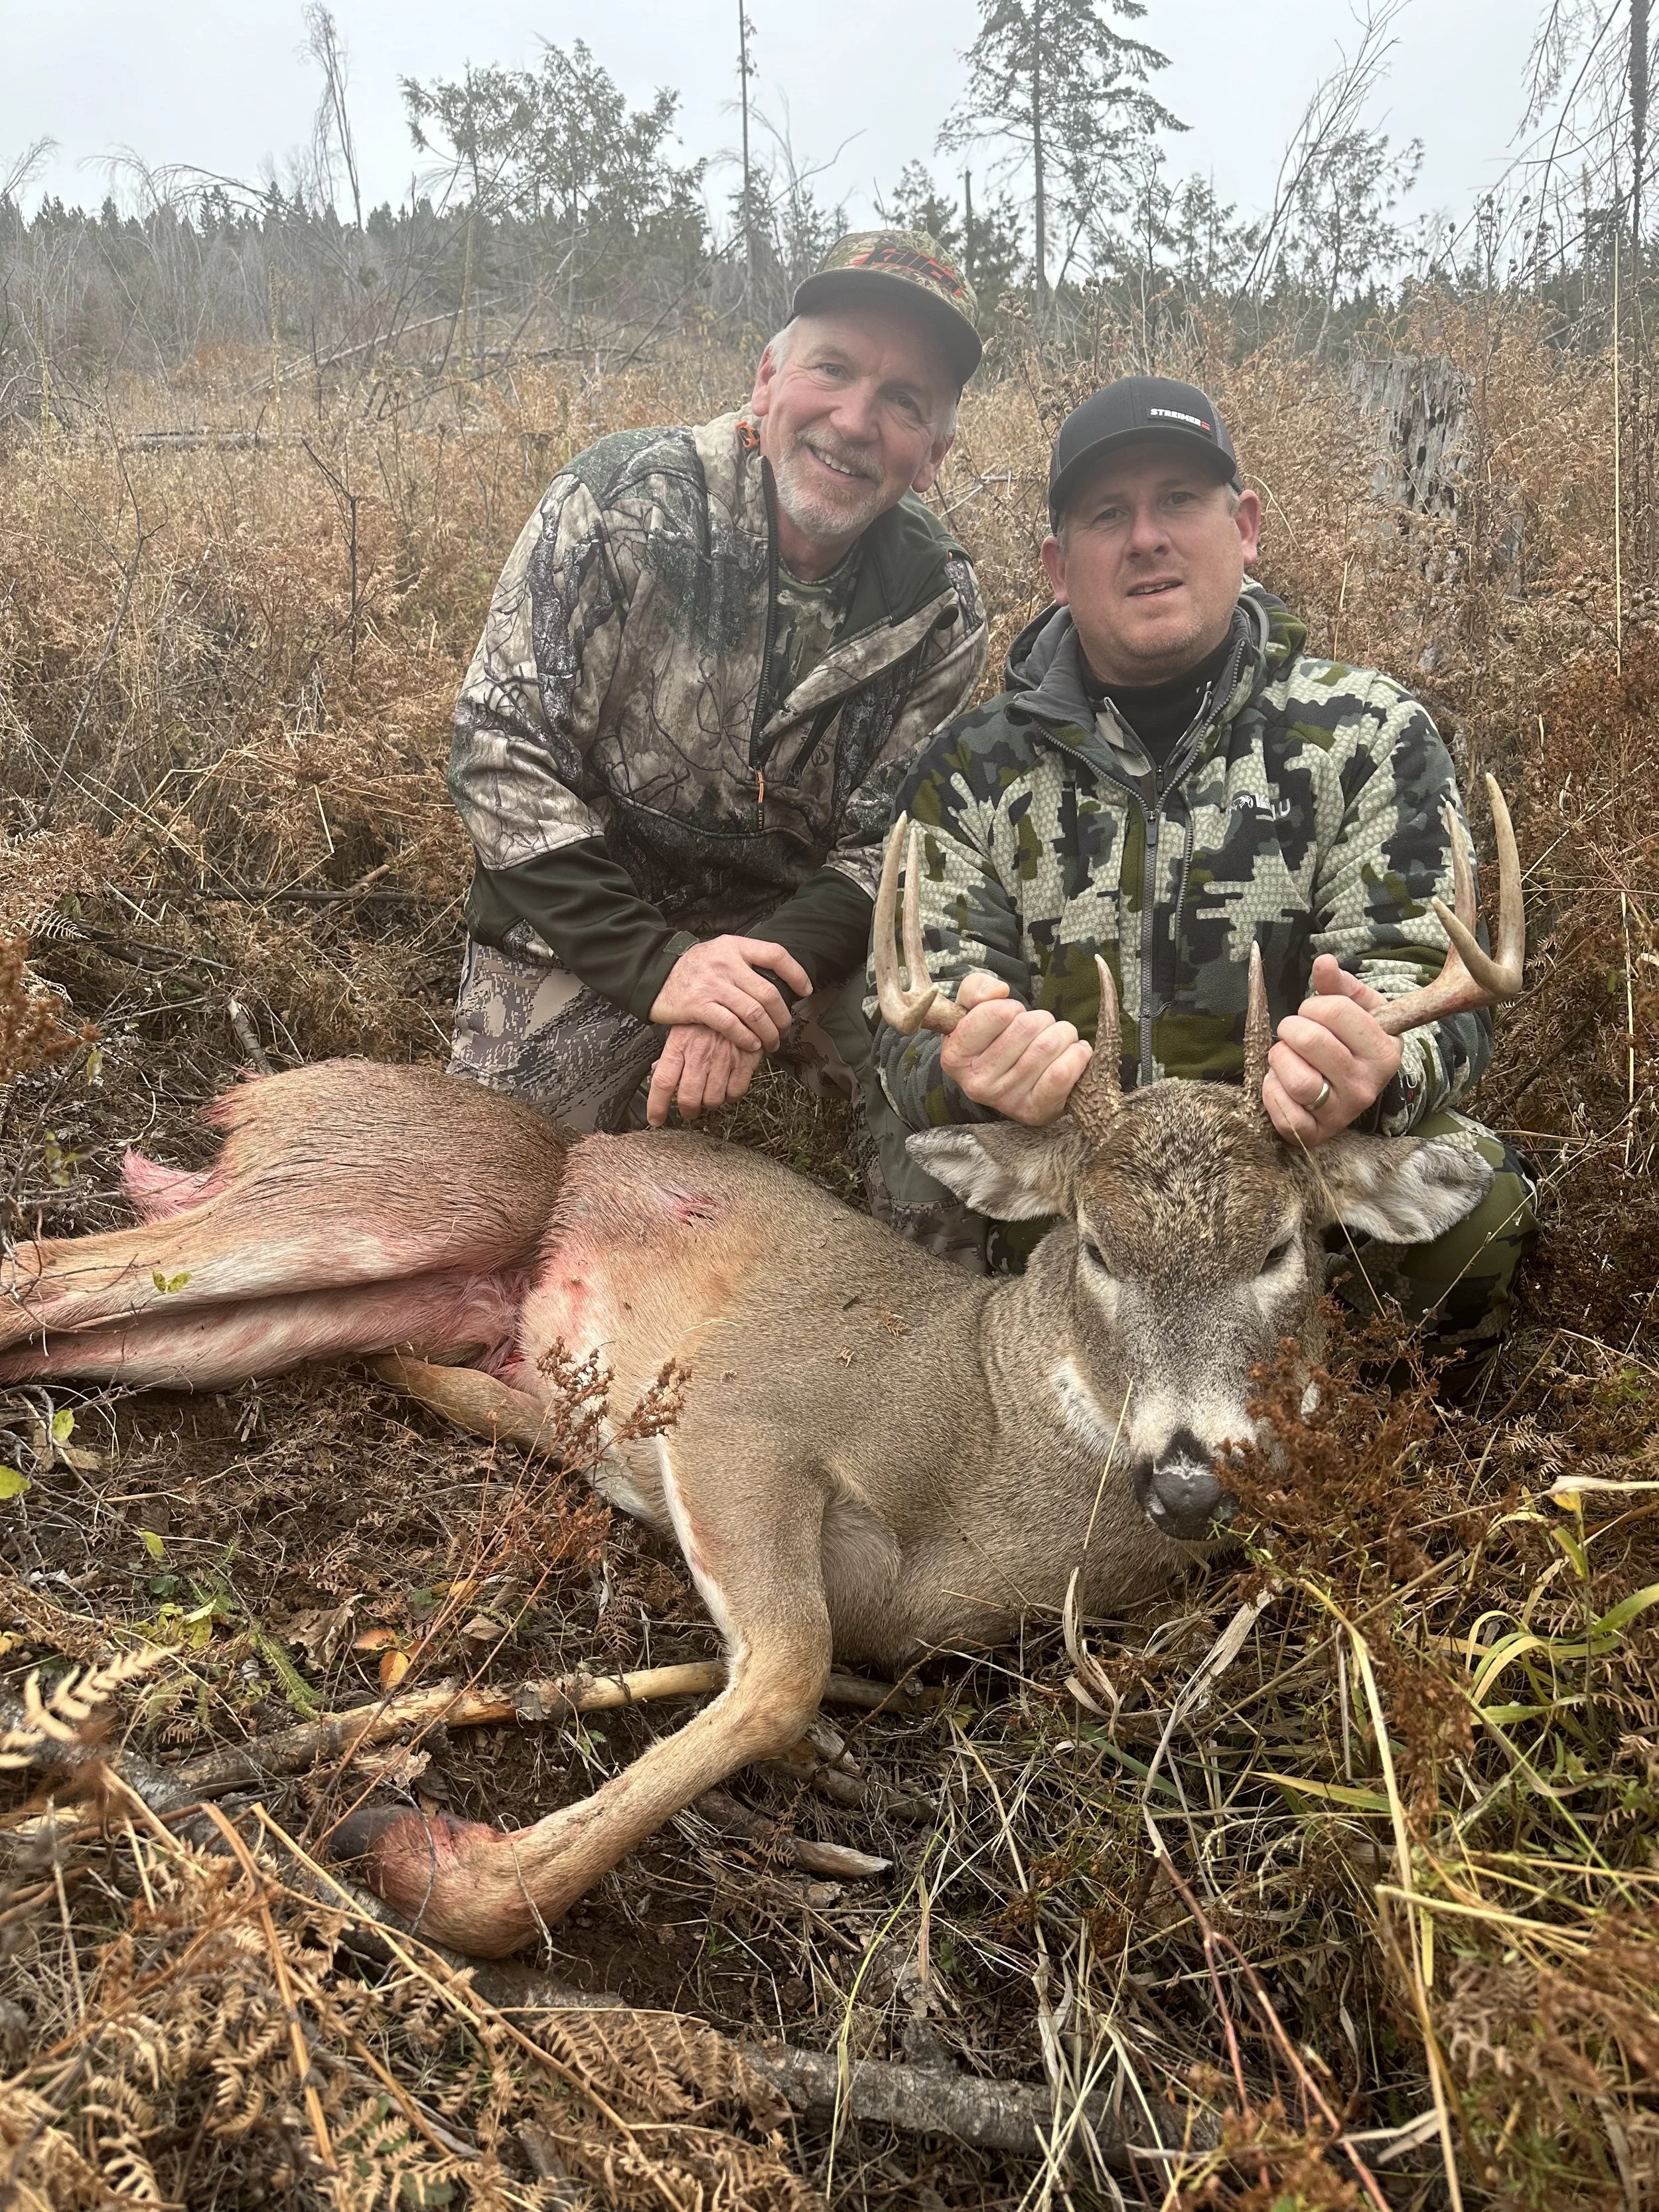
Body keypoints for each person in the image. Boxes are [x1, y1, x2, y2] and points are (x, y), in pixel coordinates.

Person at [875, 374, 1536, 1357]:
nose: (1146, 538)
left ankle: (1342, 1452)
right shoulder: (975, 769)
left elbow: (1436, 988)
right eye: (1108, 514)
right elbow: (902, 1029)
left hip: (1279, 1168)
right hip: (1077, 1169)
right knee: (904, 1215)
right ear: (1060, 566)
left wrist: (1381, 1066)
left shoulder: (1366, 737)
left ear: (1247, 526)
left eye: (1179, 500)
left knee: (1475, 1215)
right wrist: (965, 1072)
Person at [445, 230, 987, 1228]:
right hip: (590, 922)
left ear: (935, 457)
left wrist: (748, 983)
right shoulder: (618, 505)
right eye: (834, 369)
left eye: (905, 401)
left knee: (952, 1085)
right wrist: (667, 972)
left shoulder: (939, 607)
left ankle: (925, 1313)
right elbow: (498, 756)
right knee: (487, 1198)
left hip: (800, 942)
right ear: (768, 377)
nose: (856, 421)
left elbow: (889, 849)